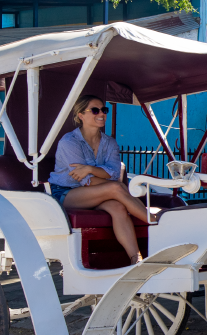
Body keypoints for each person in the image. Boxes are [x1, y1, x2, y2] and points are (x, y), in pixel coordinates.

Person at [49, 95, 154, 265]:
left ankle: (137, 260)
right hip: (66, 193)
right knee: (116, 188)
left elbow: (113, 173)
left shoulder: (109, 142)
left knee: (118, 207)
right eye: (95, 110)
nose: (101, 114)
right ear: (81, 115)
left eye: (104, 110)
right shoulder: (69, 142)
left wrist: (90, 169)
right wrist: (102, 176)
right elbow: (86, 180)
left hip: (96, 193)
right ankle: (157, 223)